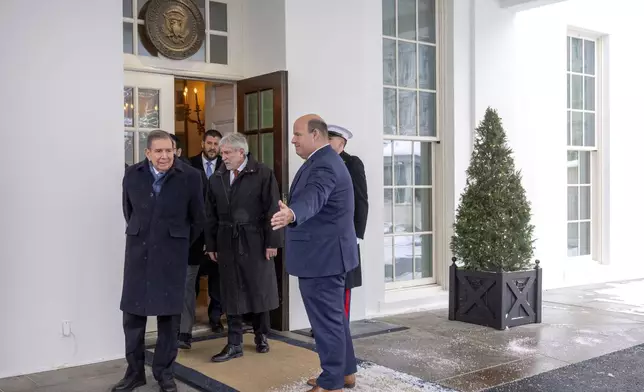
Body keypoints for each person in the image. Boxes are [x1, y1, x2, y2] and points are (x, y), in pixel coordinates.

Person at [271, 114, 358, 392]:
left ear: (316, 136)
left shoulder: (324, 166)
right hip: (326, 256)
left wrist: (293, 213)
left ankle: (331, 382)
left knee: (327, 322)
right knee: (335, 320)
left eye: (297, 134)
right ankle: (345, 373)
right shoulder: (323, 161)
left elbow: (315, 196)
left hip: (323, 259)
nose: (293, 140)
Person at [114, 130, 205, 392]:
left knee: (169, 319)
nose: (165, 156)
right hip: (138, 255)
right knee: (132, 317)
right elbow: (128, 211)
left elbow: (198, 219)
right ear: (148, 153)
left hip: (172, 257)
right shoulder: (132, 175)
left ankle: (165, 374)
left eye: (169, 150)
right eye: (159, 151)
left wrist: (174, 242)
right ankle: (134, 373)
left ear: (175, 151)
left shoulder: (191, 177)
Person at [205, 133, 283, 362]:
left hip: (256, 240)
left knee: (257, 288)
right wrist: (210, 244)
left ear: (242, 152)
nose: (223, 158)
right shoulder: (217, 176)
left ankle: (261, 335)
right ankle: (234, 343)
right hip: (226, 240)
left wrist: (273, 242)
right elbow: (209, 214)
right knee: (231, 292)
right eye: (222, 153)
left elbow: (274, 209)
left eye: (227, 153)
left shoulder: (263, 173)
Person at [177, 130, 225, 350]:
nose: (213, 146)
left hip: (216, 234)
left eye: (216, 143)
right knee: (190, 282)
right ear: (203, 143)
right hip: (194, 237)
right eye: (210, 142)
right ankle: (186, 325)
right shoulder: (189, 165)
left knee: (217, 280)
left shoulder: (226, 166)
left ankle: (215, 318)